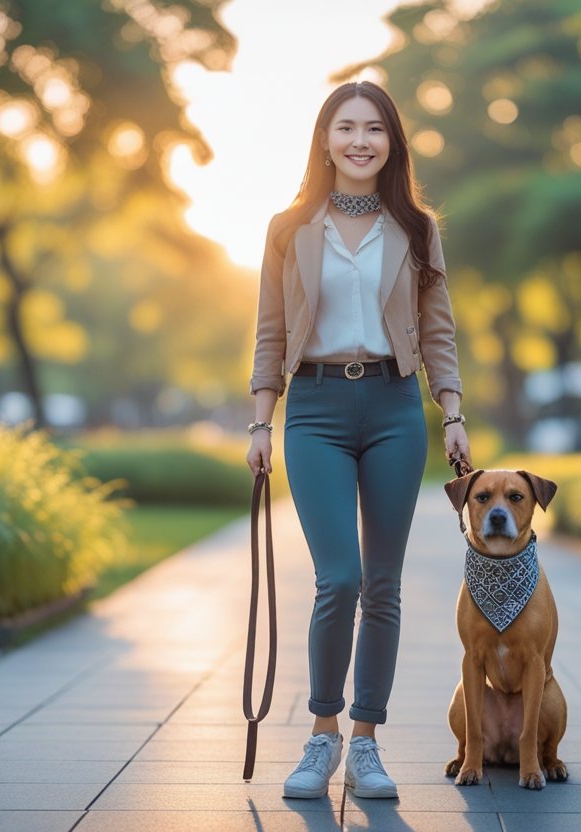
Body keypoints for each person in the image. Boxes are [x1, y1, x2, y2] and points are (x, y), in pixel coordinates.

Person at [245, 80, 471, 800]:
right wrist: (260, 420)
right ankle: (321, 735)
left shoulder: (417, 227)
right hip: (312, 407)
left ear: (392, 143)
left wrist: (453, 410)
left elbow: (438, 330)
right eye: (346, 127)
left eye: (374, 129)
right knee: (337, 578)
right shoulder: (288, 227)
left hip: (394, 407)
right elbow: (270, 331)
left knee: (383, 584)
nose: (360, 140)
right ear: (324, 139)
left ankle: (366, 742)